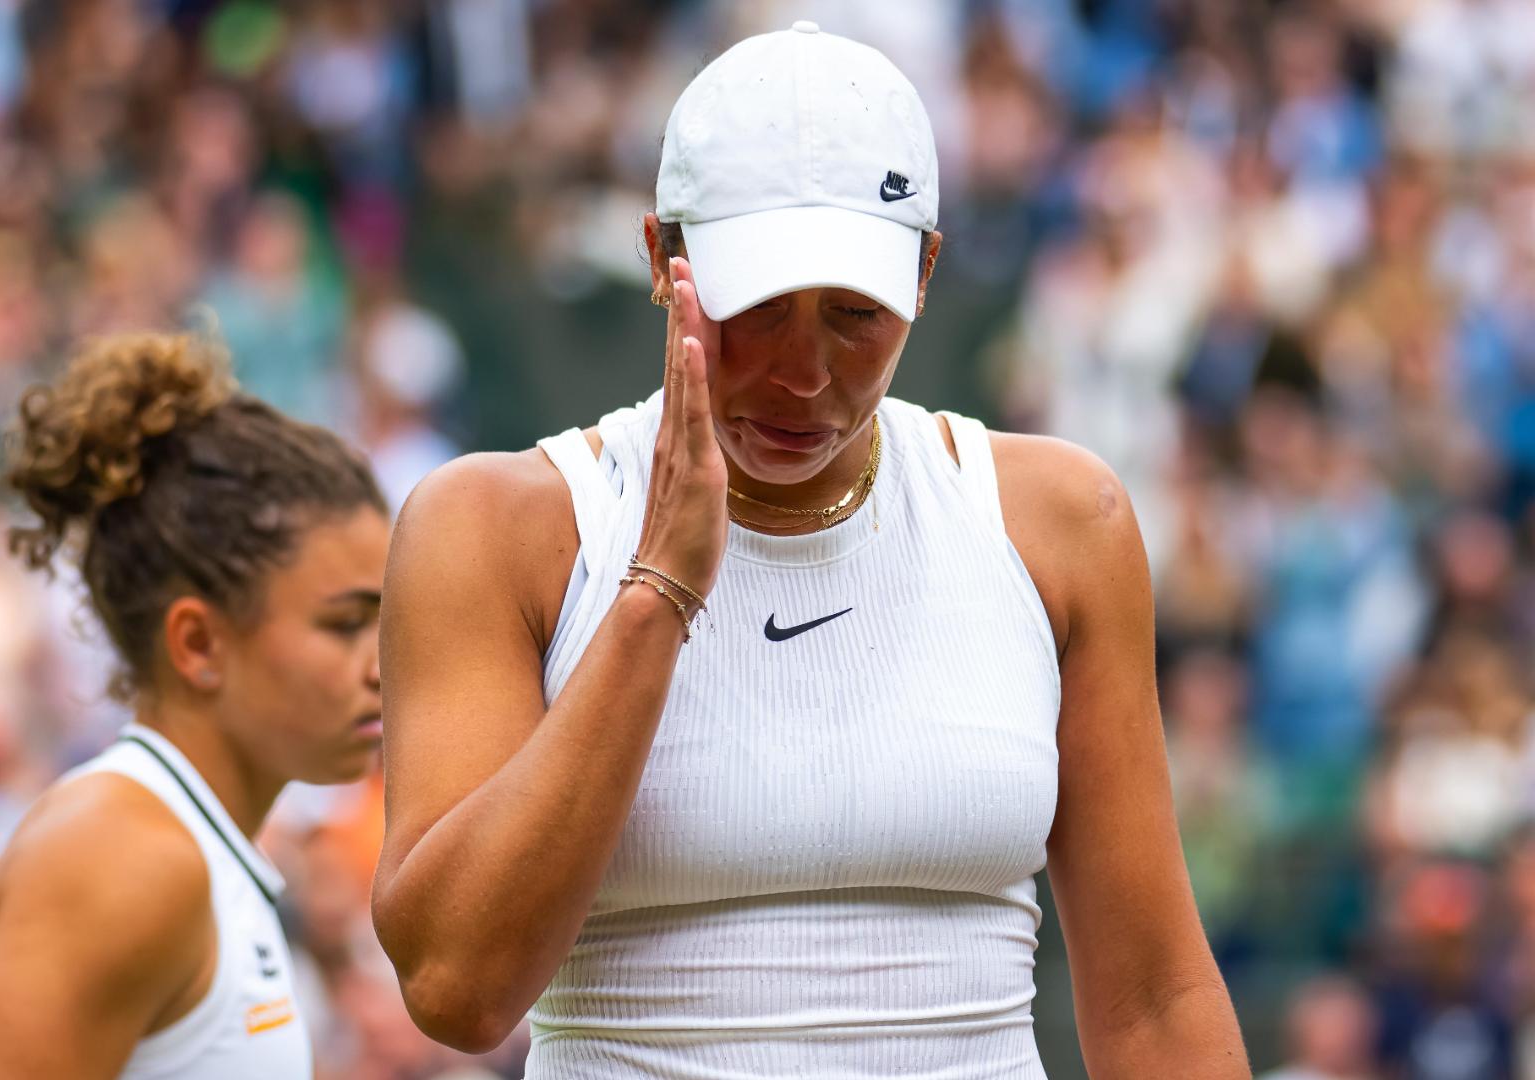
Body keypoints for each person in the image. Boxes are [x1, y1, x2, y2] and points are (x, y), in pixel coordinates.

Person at [373, 21, 1248, 1078]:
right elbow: (456, 991)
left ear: (925, 274)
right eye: (757, 311)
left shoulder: (1062, 522)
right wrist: (656, 595)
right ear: (661, 260)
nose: (804, 372)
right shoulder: (495, 530)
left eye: (853, 314)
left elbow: (1154, 999)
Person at [0, 333, 390, 1078]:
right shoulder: (128, 860)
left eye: (387, 618)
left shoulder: (186, 852)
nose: (382, 663)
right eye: (344, 623)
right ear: (198, 644)